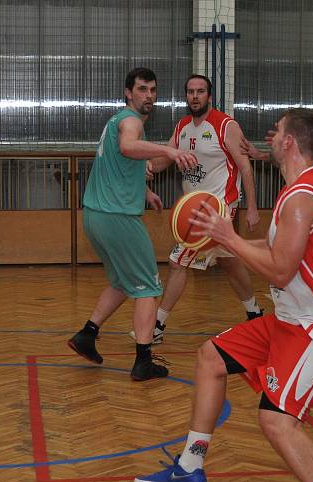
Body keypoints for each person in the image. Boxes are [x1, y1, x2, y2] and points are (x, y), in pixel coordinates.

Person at [135, 108, 313, 482]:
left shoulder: (303, 196)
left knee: (276, 420)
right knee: (211, 357)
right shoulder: (297, 190)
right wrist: (220, 238)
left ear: (290, 143)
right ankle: (190, 466)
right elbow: (278, 250)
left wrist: (228, 237)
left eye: (278, 129)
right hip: (289, 318)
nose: (271, 132)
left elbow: (282, 269)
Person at [67, 67, 197, 380]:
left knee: (124, 282)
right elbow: (127, 147)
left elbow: (120, 163)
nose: (148, 95)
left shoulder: (117, 120)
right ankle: (143, 361)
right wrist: (169, 150)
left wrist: (146, 190)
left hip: (96, 216)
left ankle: (87, 334)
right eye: (142, 89)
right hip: (118, 219)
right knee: (148, 288)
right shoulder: (130, 121)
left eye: (152, 90)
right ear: (128, 92)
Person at [141, 74, 263, 344]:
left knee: (177, 262)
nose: (194, 96)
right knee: (230, 263)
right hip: (194, 207)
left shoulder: (226, 126)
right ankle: (255, 314)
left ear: (209, 96)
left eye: (200, 92)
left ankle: (157, 326)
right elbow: (166, 159)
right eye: (190, 92)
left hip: (218, 209)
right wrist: (148, 166)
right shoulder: (182, 126)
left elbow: (245, 167)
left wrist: (251, 207)